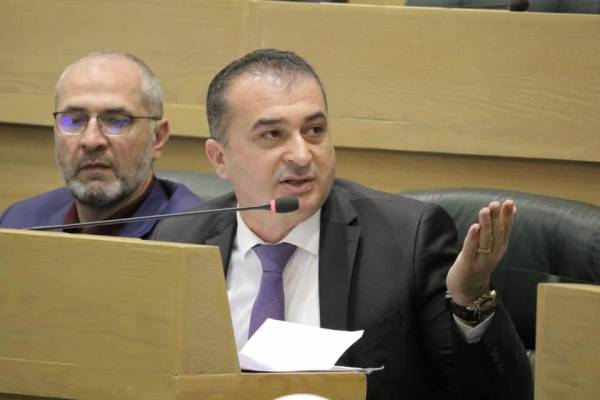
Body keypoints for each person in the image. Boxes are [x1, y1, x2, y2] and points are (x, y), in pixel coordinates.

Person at [151, 49, 532, 399]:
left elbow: (493, 394)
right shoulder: (179, 241)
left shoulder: (408, 239)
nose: (302, 155)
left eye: (314, 130)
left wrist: (470, 301)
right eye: (272, 135)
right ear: (220, 158)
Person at [0, 50, 202, 238]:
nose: (91, 140)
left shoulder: (197, 237)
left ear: (157, 137)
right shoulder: (18, 224)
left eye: (116, 121)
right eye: (74, 120)